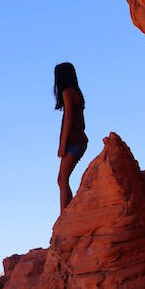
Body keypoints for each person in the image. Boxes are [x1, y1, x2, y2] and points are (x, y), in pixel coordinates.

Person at [55, 62, 88, 211]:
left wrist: (62, 144)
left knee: (62, 179)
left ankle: (65, 214)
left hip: (73, 141)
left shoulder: (67, 92)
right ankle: (67, 213)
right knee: (62, 179)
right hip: (78, 139)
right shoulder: (76, 92)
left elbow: (69, 118)